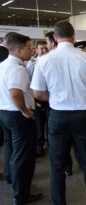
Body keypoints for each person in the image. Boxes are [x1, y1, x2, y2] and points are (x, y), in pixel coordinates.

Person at [31, 21, 86, 204]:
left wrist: (54, 98)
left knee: (57, 164)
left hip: (58, 116)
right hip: (85, 116)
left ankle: (59, 202)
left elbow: (37, 93)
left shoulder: (43, 60)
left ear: (54, 38)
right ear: (74, 36)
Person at [0, 33, 43, 204]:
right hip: (17, 115)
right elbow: (15, 93)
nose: (31, 50)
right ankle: (21, 195)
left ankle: (12, 180)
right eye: (28, 47)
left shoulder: (3, 65)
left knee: (12, 149)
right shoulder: (17, 68)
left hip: (5, 113)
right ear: (18, 50)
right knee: (23, 156)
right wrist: (26, 111)